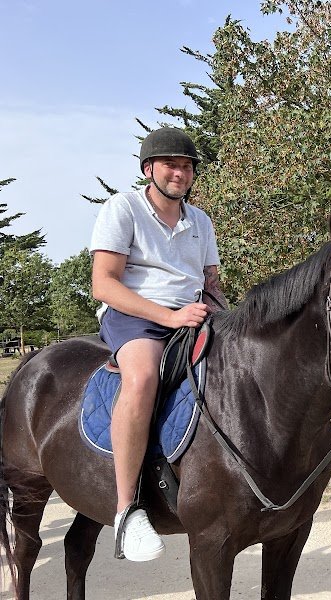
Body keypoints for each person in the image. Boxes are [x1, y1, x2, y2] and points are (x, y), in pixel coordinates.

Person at [90, 127, 227, 561]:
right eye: (171, 164)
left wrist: (230, 316)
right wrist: (168, 316)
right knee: (144, 374)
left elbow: (211, 284)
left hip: (191, 315)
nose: (180, 172)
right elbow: (103, 284)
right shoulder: (123, 208)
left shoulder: (199, 221)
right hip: (134, 317)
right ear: (149, 168)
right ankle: (127, 509)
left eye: (186, 166)